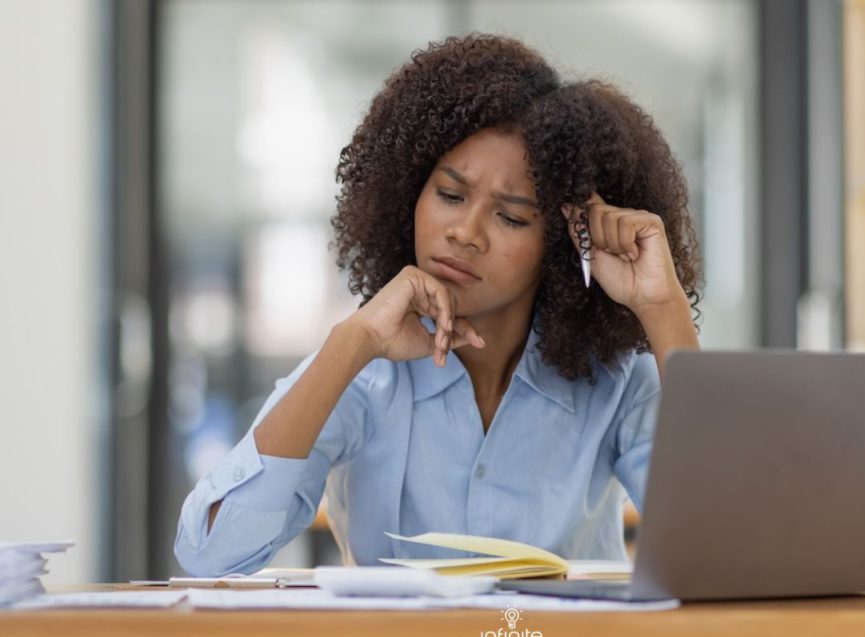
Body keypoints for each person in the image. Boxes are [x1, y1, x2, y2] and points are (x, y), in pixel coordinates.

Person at [175, 33, 701, 577]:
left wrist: (662, 306)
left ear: (563, 242)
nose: (465, 233)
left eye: (512, 217)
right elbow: (209, 552)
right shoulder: (366, 371)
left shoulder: (616, 381)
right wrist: (349, 344)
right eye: (450, 196)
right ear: (410, 193)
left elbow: (720, 549)